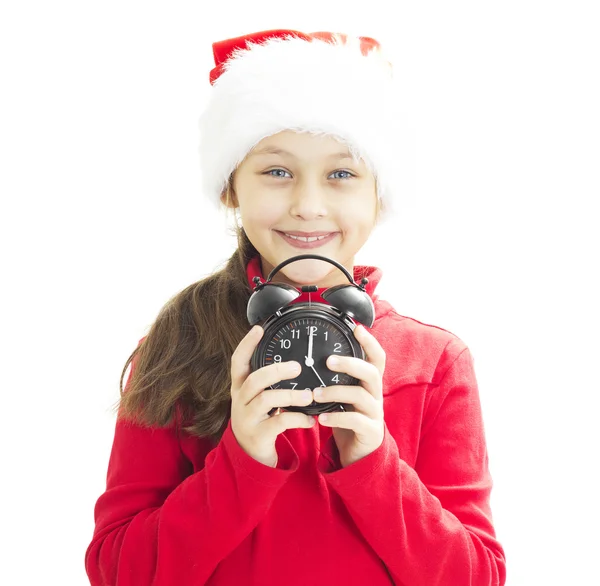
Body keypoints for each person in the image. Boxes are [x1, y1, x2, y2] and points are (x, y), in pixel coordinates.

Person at [84, 29, 506, 586]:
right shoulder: (173, 347)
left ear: (379, 196)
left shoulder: (435, 363)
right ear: (231, 188)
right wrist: (241, 462)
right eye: (277, 171)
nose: (308, 206)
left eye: (342, 174)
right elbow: (119, 572)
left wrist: (374, 463)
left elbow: (475, 577)